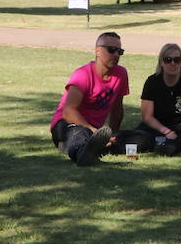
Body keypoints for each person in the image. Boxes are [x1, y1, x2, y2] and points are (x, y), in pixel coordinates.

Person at [49, 31, 130, 166]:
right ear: (98, 51)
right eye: (111, 50)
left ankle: (91, 147)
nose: (116, 55)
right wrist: (94, 131)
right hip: (66, 125)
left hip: (95, 131)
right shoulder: (83, 75)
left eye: (119, 52)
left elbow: (117, 108)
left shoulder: (121, 74)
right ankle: (82, 153)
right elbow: (68, 112)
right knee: (80, 133)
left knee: (139, 137)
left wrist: (113, 134)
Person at [119, 43, 181, 156]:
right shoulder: (152, 82)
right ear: (161, 62)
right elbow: (147, 117)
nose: (173, 63)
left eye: (177, 60)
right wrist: (166, 132)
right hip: (154, 127)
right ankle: (114, 139)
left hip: (180, 128)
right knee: (142, 141)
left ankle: (170, 146)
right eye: (168, 60)